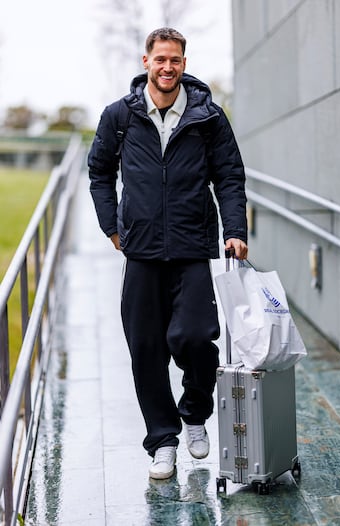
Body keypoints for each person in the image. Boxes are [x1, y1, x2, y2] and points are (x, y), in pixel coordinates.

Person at [88, 27, 248, 480]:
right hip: (140, 251)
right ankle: (163, 441)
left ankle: (194, 415)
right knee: (145, 350)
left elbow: (230, 177)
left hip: (193, 245)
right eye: (160, 59)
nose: (167, 67)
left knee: (197, 337)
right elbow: (99, 172)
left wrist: (234, 229)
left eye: (175, 59)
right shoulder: (119, 116)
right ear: (146, 62)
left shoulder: (207, 117)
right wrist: (111, 227)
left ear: (183, 63)